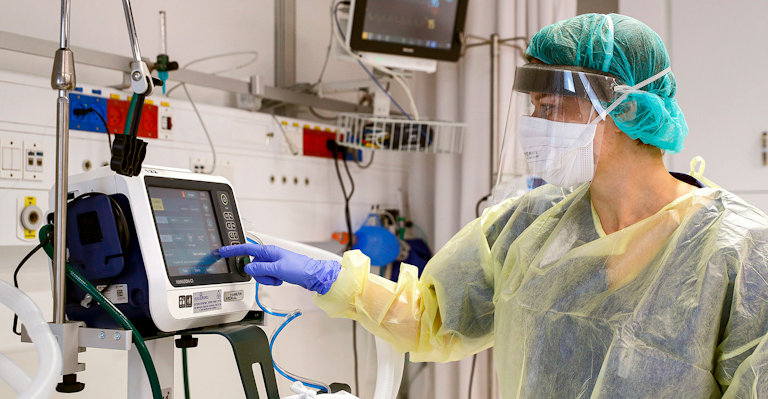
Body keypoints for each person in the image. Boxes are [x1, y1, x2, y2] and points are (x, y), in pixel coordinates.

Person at [220, 13, 768, 398]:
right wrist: (330, 278)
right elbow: (436, 320)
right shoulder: (531, 225)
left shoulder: (738, 253)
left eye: (551, 106)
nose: (536, 127)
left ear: (624, 105)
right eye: (531, 108)